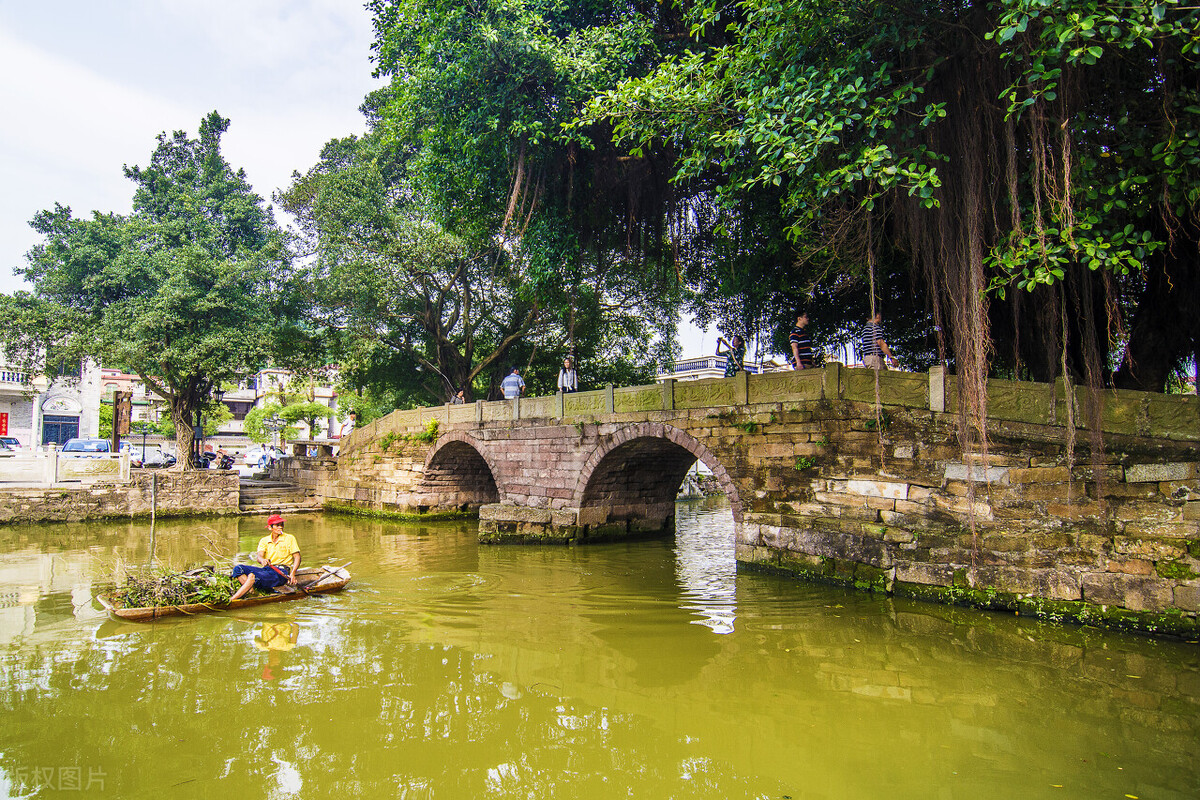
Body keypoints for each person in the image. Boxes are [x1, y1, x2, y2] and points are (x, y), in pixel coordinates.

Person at [230, 514, 301, 601]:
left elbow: (297, 557)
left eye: (281, 525)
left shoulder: (289, 538)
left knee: (252, 576)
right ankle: (251, 591)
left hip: (281, 572)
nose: (280, 527)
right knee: (238, 568)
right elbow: (259, 557)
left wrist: (293, 573)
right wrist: (263, 560)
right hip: (268, 569)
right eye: (277, 525)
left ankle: (232, 600)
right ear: (270, 528)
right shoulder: (264, 540)